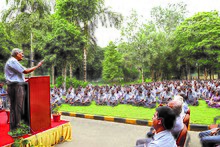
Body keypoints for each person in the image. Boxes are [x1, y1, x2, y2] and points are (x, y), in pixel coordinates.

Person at [4, 48, 43, 131]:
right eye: (21, 53)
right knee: (18, 106)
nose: (23, 55)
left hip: (13, 85)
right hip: (16, 86)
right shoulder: (13, 61)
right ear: (17, 54)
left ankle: (14, 126)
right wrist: (37, 66)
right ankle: (17, 127)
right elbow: (25, 71)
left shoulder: (13, 61)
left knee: (15, 107)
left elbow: (19, 74)